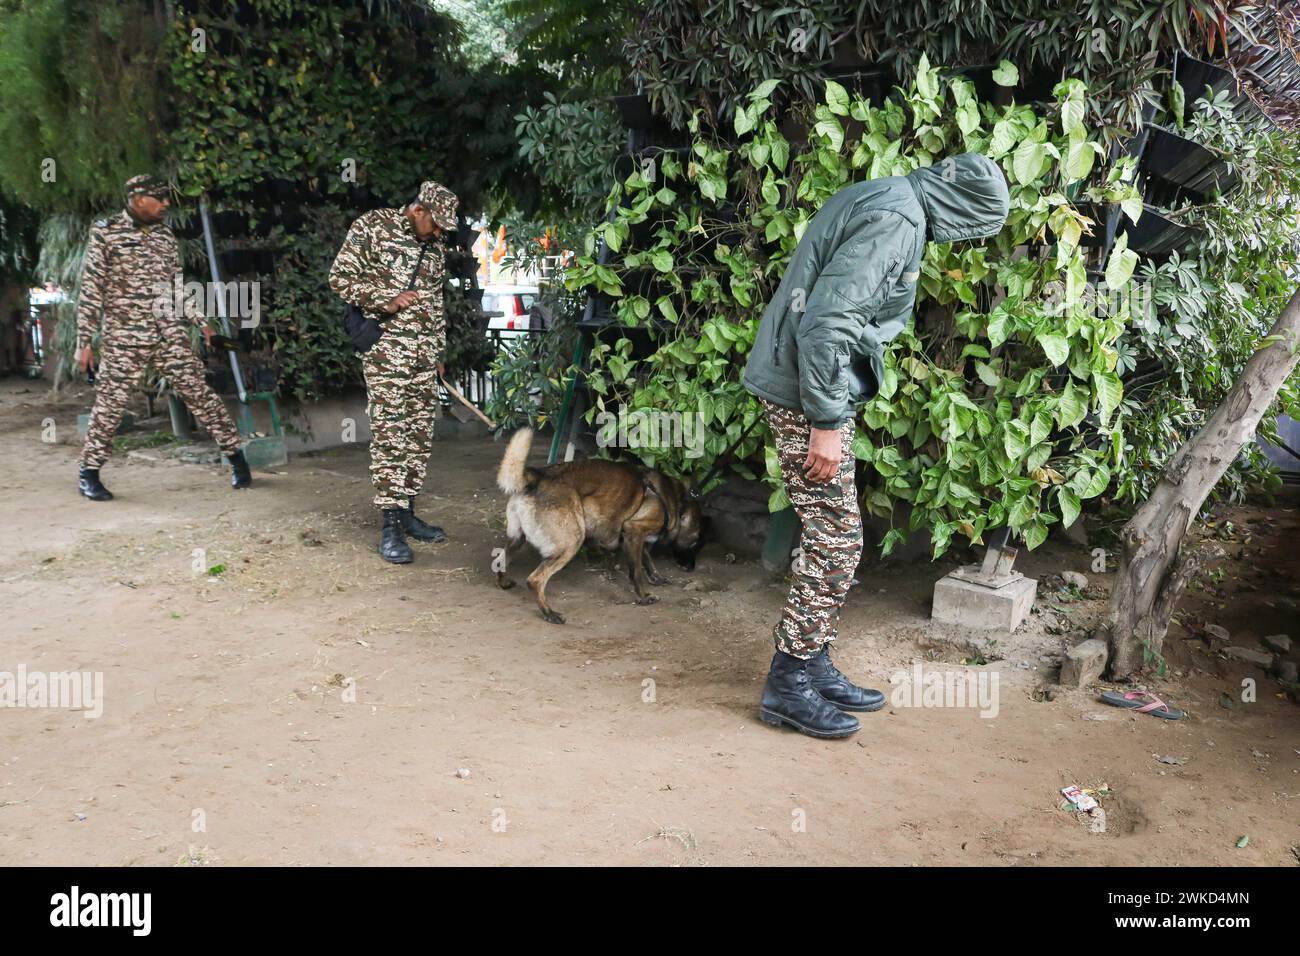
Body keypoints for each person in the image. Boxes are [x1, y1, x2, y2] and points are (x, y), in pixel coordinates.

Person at [743, 153, 1010, 738]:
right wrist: (826, 422)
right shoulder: (900, 221)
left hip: (810, 386)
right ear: (965, 209)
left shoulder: (889, 195)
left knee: (834, 533)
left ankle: (811, 664)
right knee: (837, 541)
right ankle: (787, 684)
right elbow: (829, 323)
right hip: (806, 392)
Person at [76, 174, 250, 501]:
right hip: (124, 336)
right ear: (138, 199)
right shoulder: (106, 232)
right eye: (160, 198)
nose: (166, 203)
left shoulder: (165, 236)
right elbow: (91, 290)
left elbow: (176, 286)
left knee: (201, 394)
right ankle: (89, 473)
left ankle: (237, 459)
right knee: (109, 405)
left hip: (168, 331)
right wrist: (83, 341)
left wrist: (202, 323)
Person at [328, 180, 458, 564]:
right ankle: (390, 527)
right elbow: (339, 278)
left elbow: (435, 302)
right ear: (419, 211)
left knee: (418, 434)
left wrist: (437, 350)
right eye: (436, 224)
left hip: (421, 355)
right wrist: (383, 299)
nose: (439, 232)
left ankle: (408, 514)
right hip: (386, 351)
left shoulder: (433, 249)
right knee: (390, 435)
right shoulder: (373, 227)